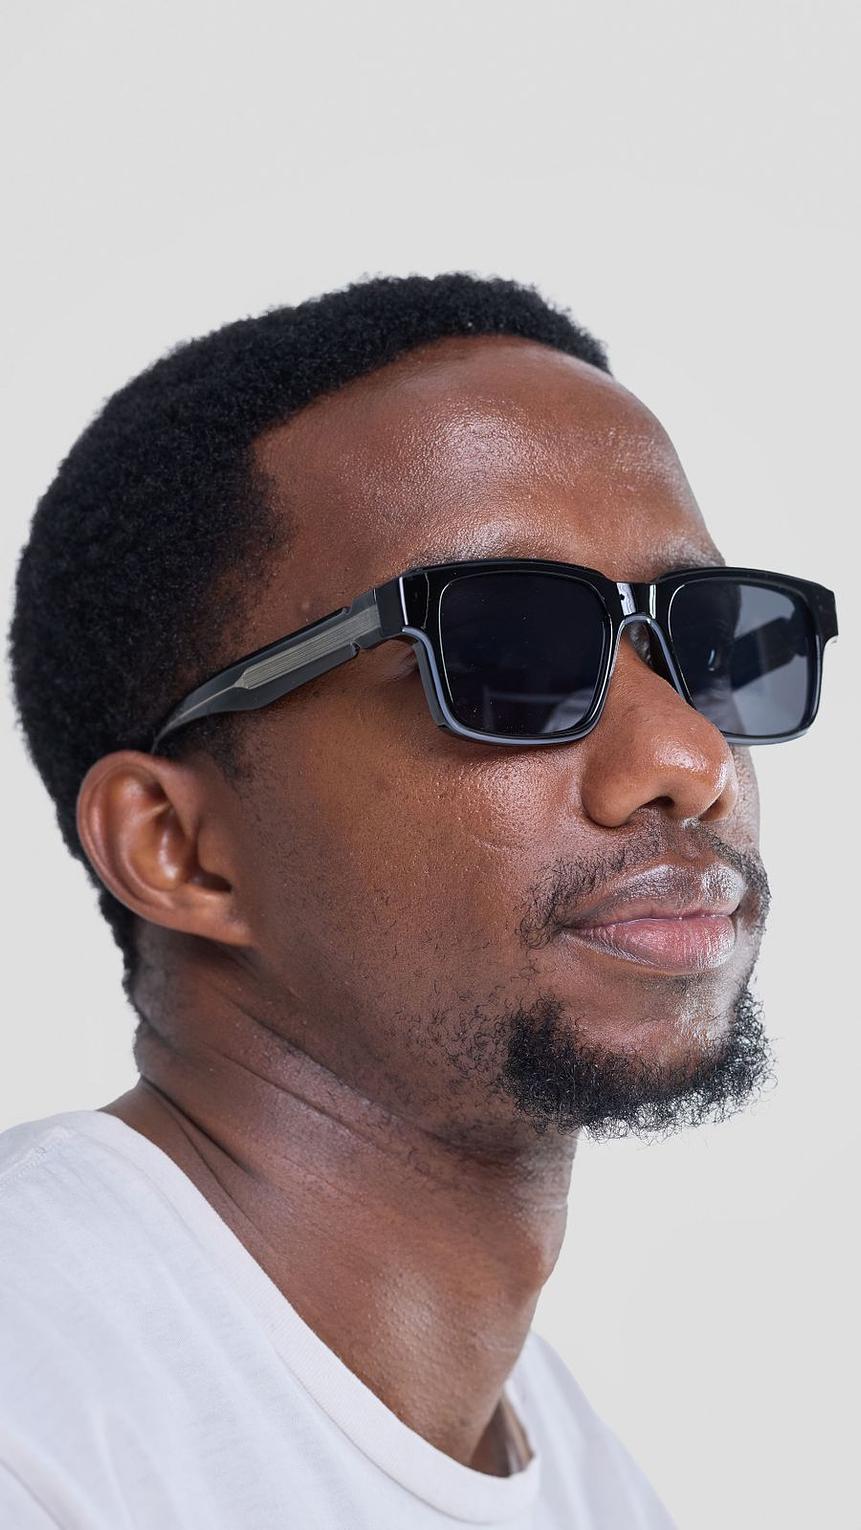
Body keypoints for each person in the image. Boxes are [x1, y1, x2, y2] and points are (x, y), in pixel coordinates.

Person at [2, 272, 838, 1527]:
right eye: (507, 652)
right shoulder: (39, 1416)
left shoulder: (581, 1479)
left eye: (708, 645)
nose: (688, 754)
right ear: (179, 848)